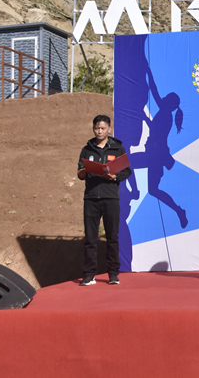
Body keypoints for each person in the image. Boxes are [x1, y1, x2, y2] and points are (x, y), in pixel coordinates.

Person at [77, 115, 132, 286]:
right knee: (90, 239)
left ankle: (113, 273)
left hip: (111, 198)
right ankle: (89, 274)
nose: (99, 131)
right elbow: (80, 172)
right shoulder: (87, 149)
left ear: (109, 129)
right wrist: (83, 172)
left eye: (102, 128)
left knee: (112, 237)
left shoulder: (118, 149)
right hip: (91, 198)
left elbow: (127, 171)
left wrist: (115, 177)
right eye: (96, 128)